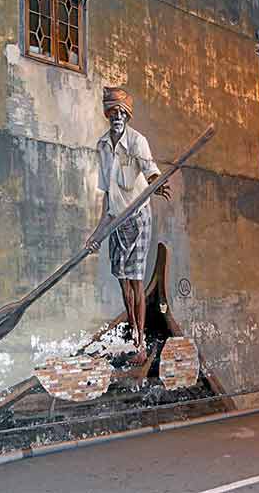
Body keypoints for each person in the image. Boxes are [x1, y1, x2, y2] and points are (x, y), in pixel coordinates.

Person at [86, 87, 170, 364]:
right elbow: (108, 197)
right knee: (123, 283)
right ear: (108, 115)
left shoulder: (137, 142)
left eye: (122, 112)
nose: (118, 116)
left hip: (138, 218)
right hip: (116, 221)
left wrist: (156, 184)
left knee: (135, 281)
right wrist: (97, 233)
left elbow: (151, 170)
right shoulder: (102, 146)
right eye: (113, 112)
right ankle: (134, 333)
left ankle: (141, 344)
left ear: (127, 116)